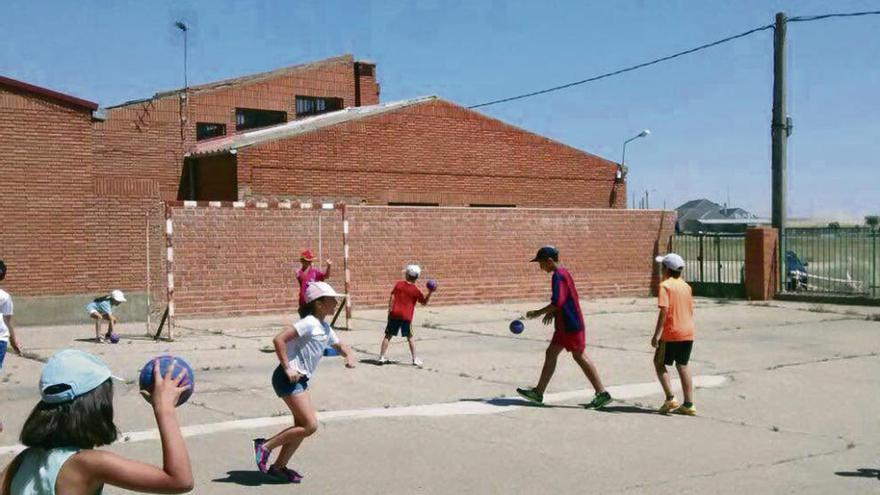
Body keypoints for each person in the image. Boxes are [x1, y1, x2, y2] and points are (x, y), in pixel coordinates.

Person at [0, 349, 194, 494]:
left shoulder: (22, 461)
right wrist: (164, 409)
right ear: (96, 406)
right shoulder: (88, 464)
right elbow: (179, 480)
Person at [253, 281, 355, 483]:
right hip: (287, 378)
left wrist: (348, 354)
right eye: (331, 299)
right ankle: (264, 447)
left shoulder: (324, 326)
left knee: (301, 426)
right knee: (310, 425)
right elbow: (279, 339)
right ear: (318, 303)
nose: (335, 303)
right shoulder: (308, 323)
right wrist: (287, 367)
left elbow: (339, 345)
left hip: (301, 379)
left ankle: (278, 467)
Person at [516, 246, 612, 409]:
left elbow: (558, 302)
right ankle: (538, 392)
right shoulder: (564, 273)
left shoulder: (558, 276)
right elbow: (565, 299)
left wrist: (538, 312)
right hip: (565, 325)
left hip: (570, 325)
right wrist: (553, 313)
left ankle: (602, 393)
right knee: (551, 353)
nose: (540, 267)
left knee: (579, 356)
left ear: (550, 261)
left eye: (541, 263)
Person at [651, 253, 697, 416]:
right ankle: (689, 403)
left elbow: (664, 310)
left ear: (666, 269)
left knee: (658, 362)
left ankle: (670, 398)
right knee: (682, 365)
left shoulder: (665, 286)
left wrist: (657, 334)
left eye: (662, 266)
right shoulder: (686, 286)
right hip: (688, 331)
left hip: (671, 332)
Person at [377, 264, 434, 367]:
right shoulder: (416, 291)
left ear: (407, 275)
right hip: (406, 318)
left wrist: (389, 311)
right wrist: (430, 292)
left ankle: (381, 357)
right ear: (416, 277)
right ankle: (414, 359)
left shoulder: (399, 284)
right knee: (410, 337)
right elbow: (424, 302)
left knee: (388, 336)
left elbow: (392, 297)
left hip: (394, 314)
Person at [0, 260, 22, 433]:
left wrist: (13, 340)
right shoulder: (5, 296)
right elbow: (8, 321)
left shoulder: (4, 297)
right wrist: (14, 341)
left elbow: (7, 321)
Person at [295, 250, 332, 318]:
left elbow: (326, 276)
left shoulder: (314, 271)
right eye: (308, 261)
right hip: (304, 302)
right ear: (302, 261)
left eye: (310, 261)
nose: (310, 263)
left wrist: (329, 266)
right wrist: (309, 267)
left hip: (313, 302)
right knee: (304, 321)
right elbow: (302, 278)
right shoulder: (298, 272)